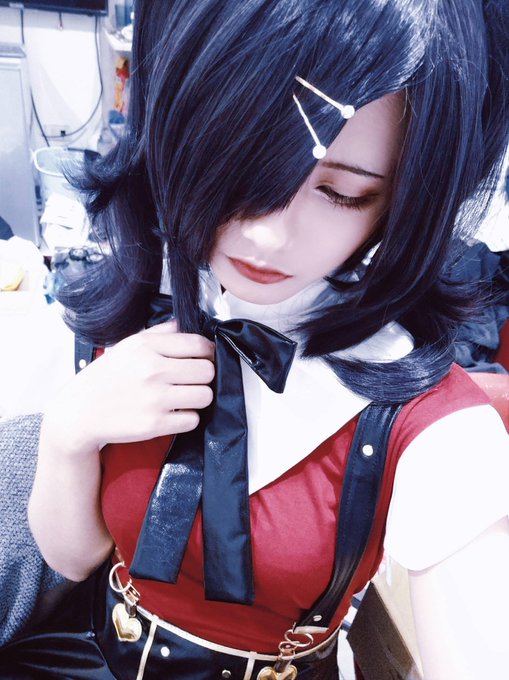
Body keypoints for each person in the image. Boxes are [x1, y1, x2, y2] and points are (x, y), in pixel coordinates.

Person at [2, 0, 509, 678]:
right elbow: (72, 559)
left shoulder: (431, 427)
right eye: (241, 163)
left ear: (403, 198)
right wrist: (68, 434)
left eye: (342, 193)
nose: (269, 235)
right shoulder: (151, 302)